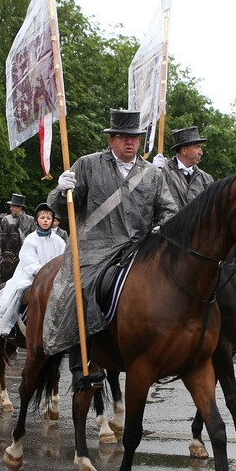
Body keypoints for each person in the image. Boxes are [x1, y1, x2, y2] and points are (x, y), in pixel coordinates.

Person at [45, 108, 177, 384]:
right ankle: (82, 362)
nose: (130, 142)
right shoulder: (87, 165)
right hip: (94, 248)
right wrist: (60, 190)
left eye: (135, 138)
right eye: (123, 137)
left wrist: (162, 227)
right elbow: (60, 207)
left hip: (138, 249)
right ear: (111, 140)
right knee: (80, 287)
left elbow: (169, 210)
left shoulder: (152, 174)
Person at [0, 203, 67, 338]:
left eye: (48, 218)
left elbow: (64, 259)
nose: (45, 220)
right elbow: (28, 260)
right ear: (36, 221)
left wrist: (57, 274)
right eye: (42, 218)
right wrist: (41, 273)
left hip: (55, 277)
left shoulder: (59, 241)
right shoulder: (30, 239)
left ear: (52, 221)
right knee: (20, 290)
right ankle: (10, 325)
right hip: (31, 275)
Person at [152, 125, 214, 209]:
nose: (201, 153)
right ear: (184, 150)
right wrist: (152, 172)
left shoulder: (206, 179)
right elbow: (147, 196)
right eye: (197, 147)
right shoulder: (163, 171)